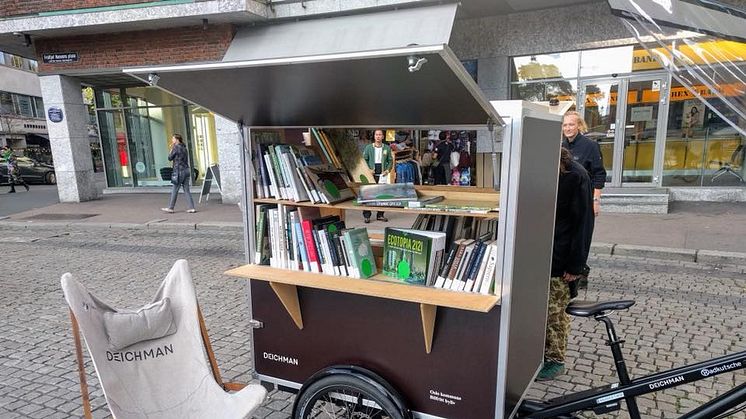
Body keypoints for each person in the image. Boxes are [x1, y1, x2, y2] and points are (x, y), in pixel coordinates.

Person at [537, 147, 594, 381]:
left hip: (561, 259)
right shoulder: (543, 170)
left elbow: (584, 224)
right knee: (539, 311)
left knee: (554, 313)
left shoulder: (576, 175)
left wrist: (575, 266)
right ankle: (540, 354)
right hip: (539, 255)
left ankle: (556, 359)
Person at [561, 111, 605, 217]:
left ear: (579, 125)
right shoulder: (561, 146)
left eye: (571, 124)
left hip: (583, 199)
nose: (568, 128)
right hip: (564, 200)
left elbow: (599, 175)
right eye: (565, 125)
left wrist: (595, 202)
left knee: (582, 233)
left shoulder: (591, 146)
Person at [361, 129, 392, 223]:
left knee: (382, 195)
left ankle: (380, 215)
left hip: (382, 173)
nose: (378, 136)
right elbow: (364, 160)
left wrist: (387, 170)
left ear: (383, 136)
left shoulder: (387, 148)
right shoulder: (368, 147)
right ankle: (367, 216)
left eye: (380, 135)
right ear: (374, 136)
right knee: (368, 194)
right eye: (376, 135)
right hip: (371, 172)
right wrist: (368, 170)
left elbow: (390, 160)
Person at [161, 134, 196, 214]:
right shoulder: (184, 148)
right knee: (186, 190)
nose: (172, 140)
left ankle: (171, 207)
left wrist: (171, 148)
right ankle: (192, 207)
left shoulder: (176, 147)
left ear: (177, 140)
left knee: (175, 189)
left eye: (173, 139)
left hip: (179, 171)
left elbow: (169, 158)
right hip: (186, 170)